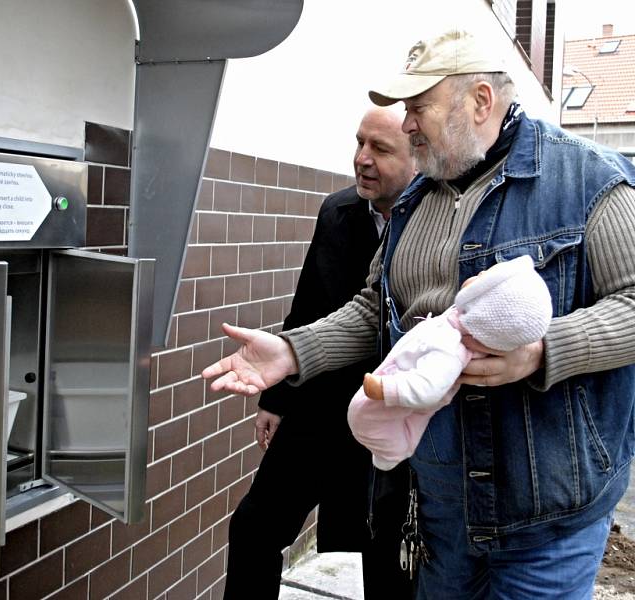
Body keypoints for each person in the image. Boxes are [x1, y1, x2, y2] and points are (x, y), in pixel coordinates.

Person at [203, 28, 635, 599]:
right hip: (440, 513)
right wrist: (292, 350)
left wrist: (542, 351)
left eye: (418, 108)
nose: (406, 125)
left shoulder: (590, 181)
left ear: (481, 101)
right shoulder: (418, 200)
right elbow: (373, 307)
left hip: (545, 514)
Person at [223, 106, 416, 600]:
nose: (362, 160)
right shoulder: (338, 211)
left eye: (381, 149)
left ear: (419, 153)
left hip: (395, 417)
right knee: (253, 528)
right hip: (320, 406)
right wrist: (276, 400)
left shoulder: (433, 225)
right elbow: (308, 304)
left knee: (384, 557)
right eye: (359, 143)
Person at [349, 254, 552, 470]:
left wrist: (386, 388)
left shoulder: (451, 346)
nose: (481, 272)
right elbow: (373, 305)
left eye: (485, 279)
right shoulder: (459, 318)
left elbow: (429, 388)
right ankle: (391, 452)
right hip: (407, 375)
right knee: (409, 421)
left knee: (361, 416)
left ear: (485, 307)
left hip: (402, 387)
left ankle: (390, 453)